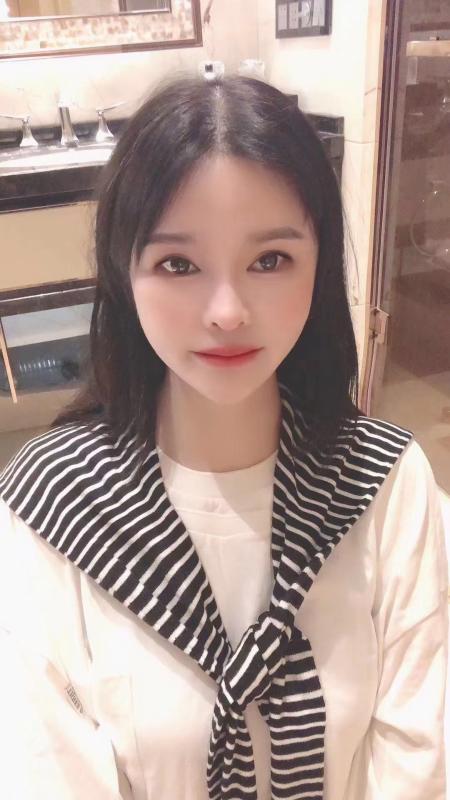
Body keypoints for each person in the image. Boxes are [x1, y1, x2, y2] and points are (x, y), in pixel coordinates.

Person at [0, 74, 447, 800]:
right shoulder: (51, 507)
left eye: (270, 260)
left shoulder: (387, 483)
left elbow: (419, 763)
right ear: (125, 273)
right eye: (178, 264)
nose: (227, 311)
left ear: (320, 265)